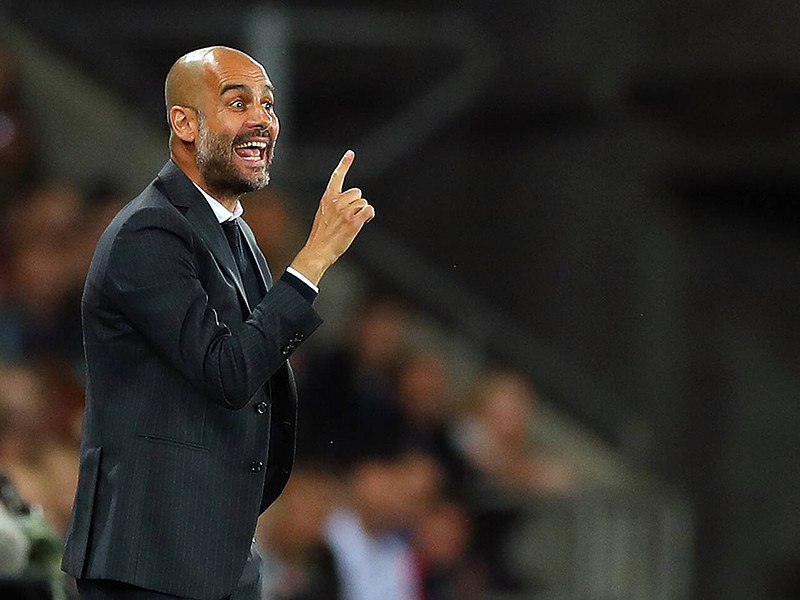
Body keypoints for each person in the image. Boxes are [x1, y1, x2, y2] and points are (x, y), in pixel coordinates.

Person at [61, 46, 374, 600]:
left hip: (217, 554)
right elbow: (227, 371)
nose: (262, 120)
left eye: (268, 104)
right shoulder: (148, 232)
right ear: (185, 123)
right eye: (237, 102)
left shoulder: (235, 232)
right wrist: (313, 260)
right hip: (149, 560)